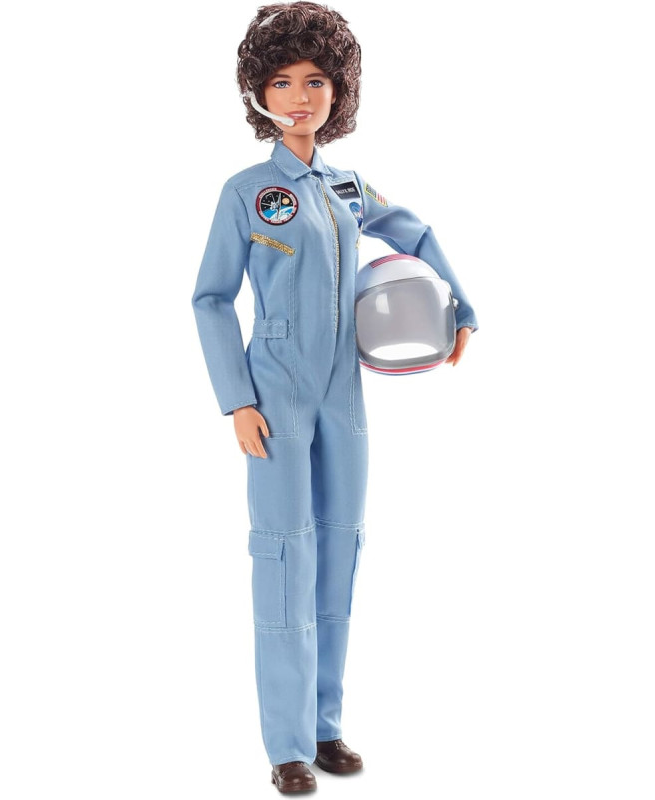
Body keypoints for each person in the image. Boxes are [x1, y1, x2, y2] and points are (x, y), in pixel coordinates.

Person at [191, 2, 478, 793]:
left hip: (343, 395)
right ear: (258, 91)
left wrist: (461, 303)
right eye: (282, 81)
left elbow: (413, 232)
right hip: (276, 391)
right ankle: (286, 745)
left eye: (316, 80)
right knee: (284, 552)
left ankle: (325, 726)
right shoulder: (247, 192)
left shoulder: (346, 186)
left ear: (338, 90)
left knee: (340, 548)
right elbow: (210, 298)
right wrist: (236, 400)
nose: (299, 97)